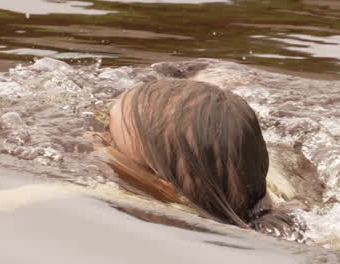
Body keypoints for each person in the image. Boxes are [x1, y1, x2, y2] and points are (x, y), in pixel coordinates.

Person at [100, 78, 294, 235]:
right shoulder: (274, 185)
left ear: (162, 188)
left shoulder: (132, 206)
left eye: (108, 137)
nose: (93, 136)